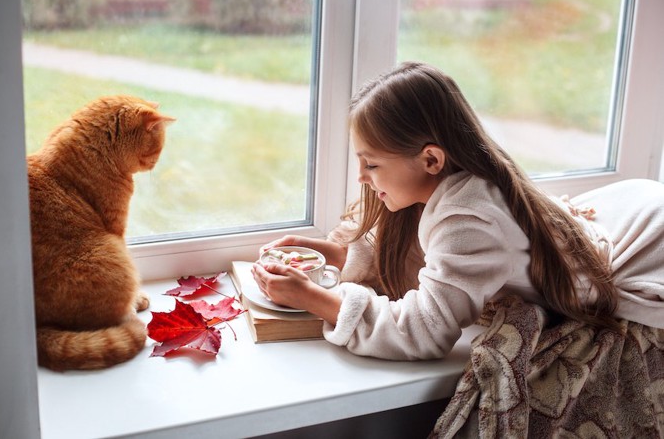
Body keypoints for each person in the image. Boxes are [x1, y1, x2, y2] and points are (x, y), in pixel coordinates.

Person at [251, 61, 664, 360]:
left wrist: (316, 299)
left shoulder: (471, 219)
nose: (360, 176)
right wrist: (338, 254)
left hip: (649, 242)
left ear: (431, 160)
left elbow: (423, 331)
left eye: (372, 164)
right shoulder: (447, 190)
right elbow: (419, 251)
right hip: (626, 207)